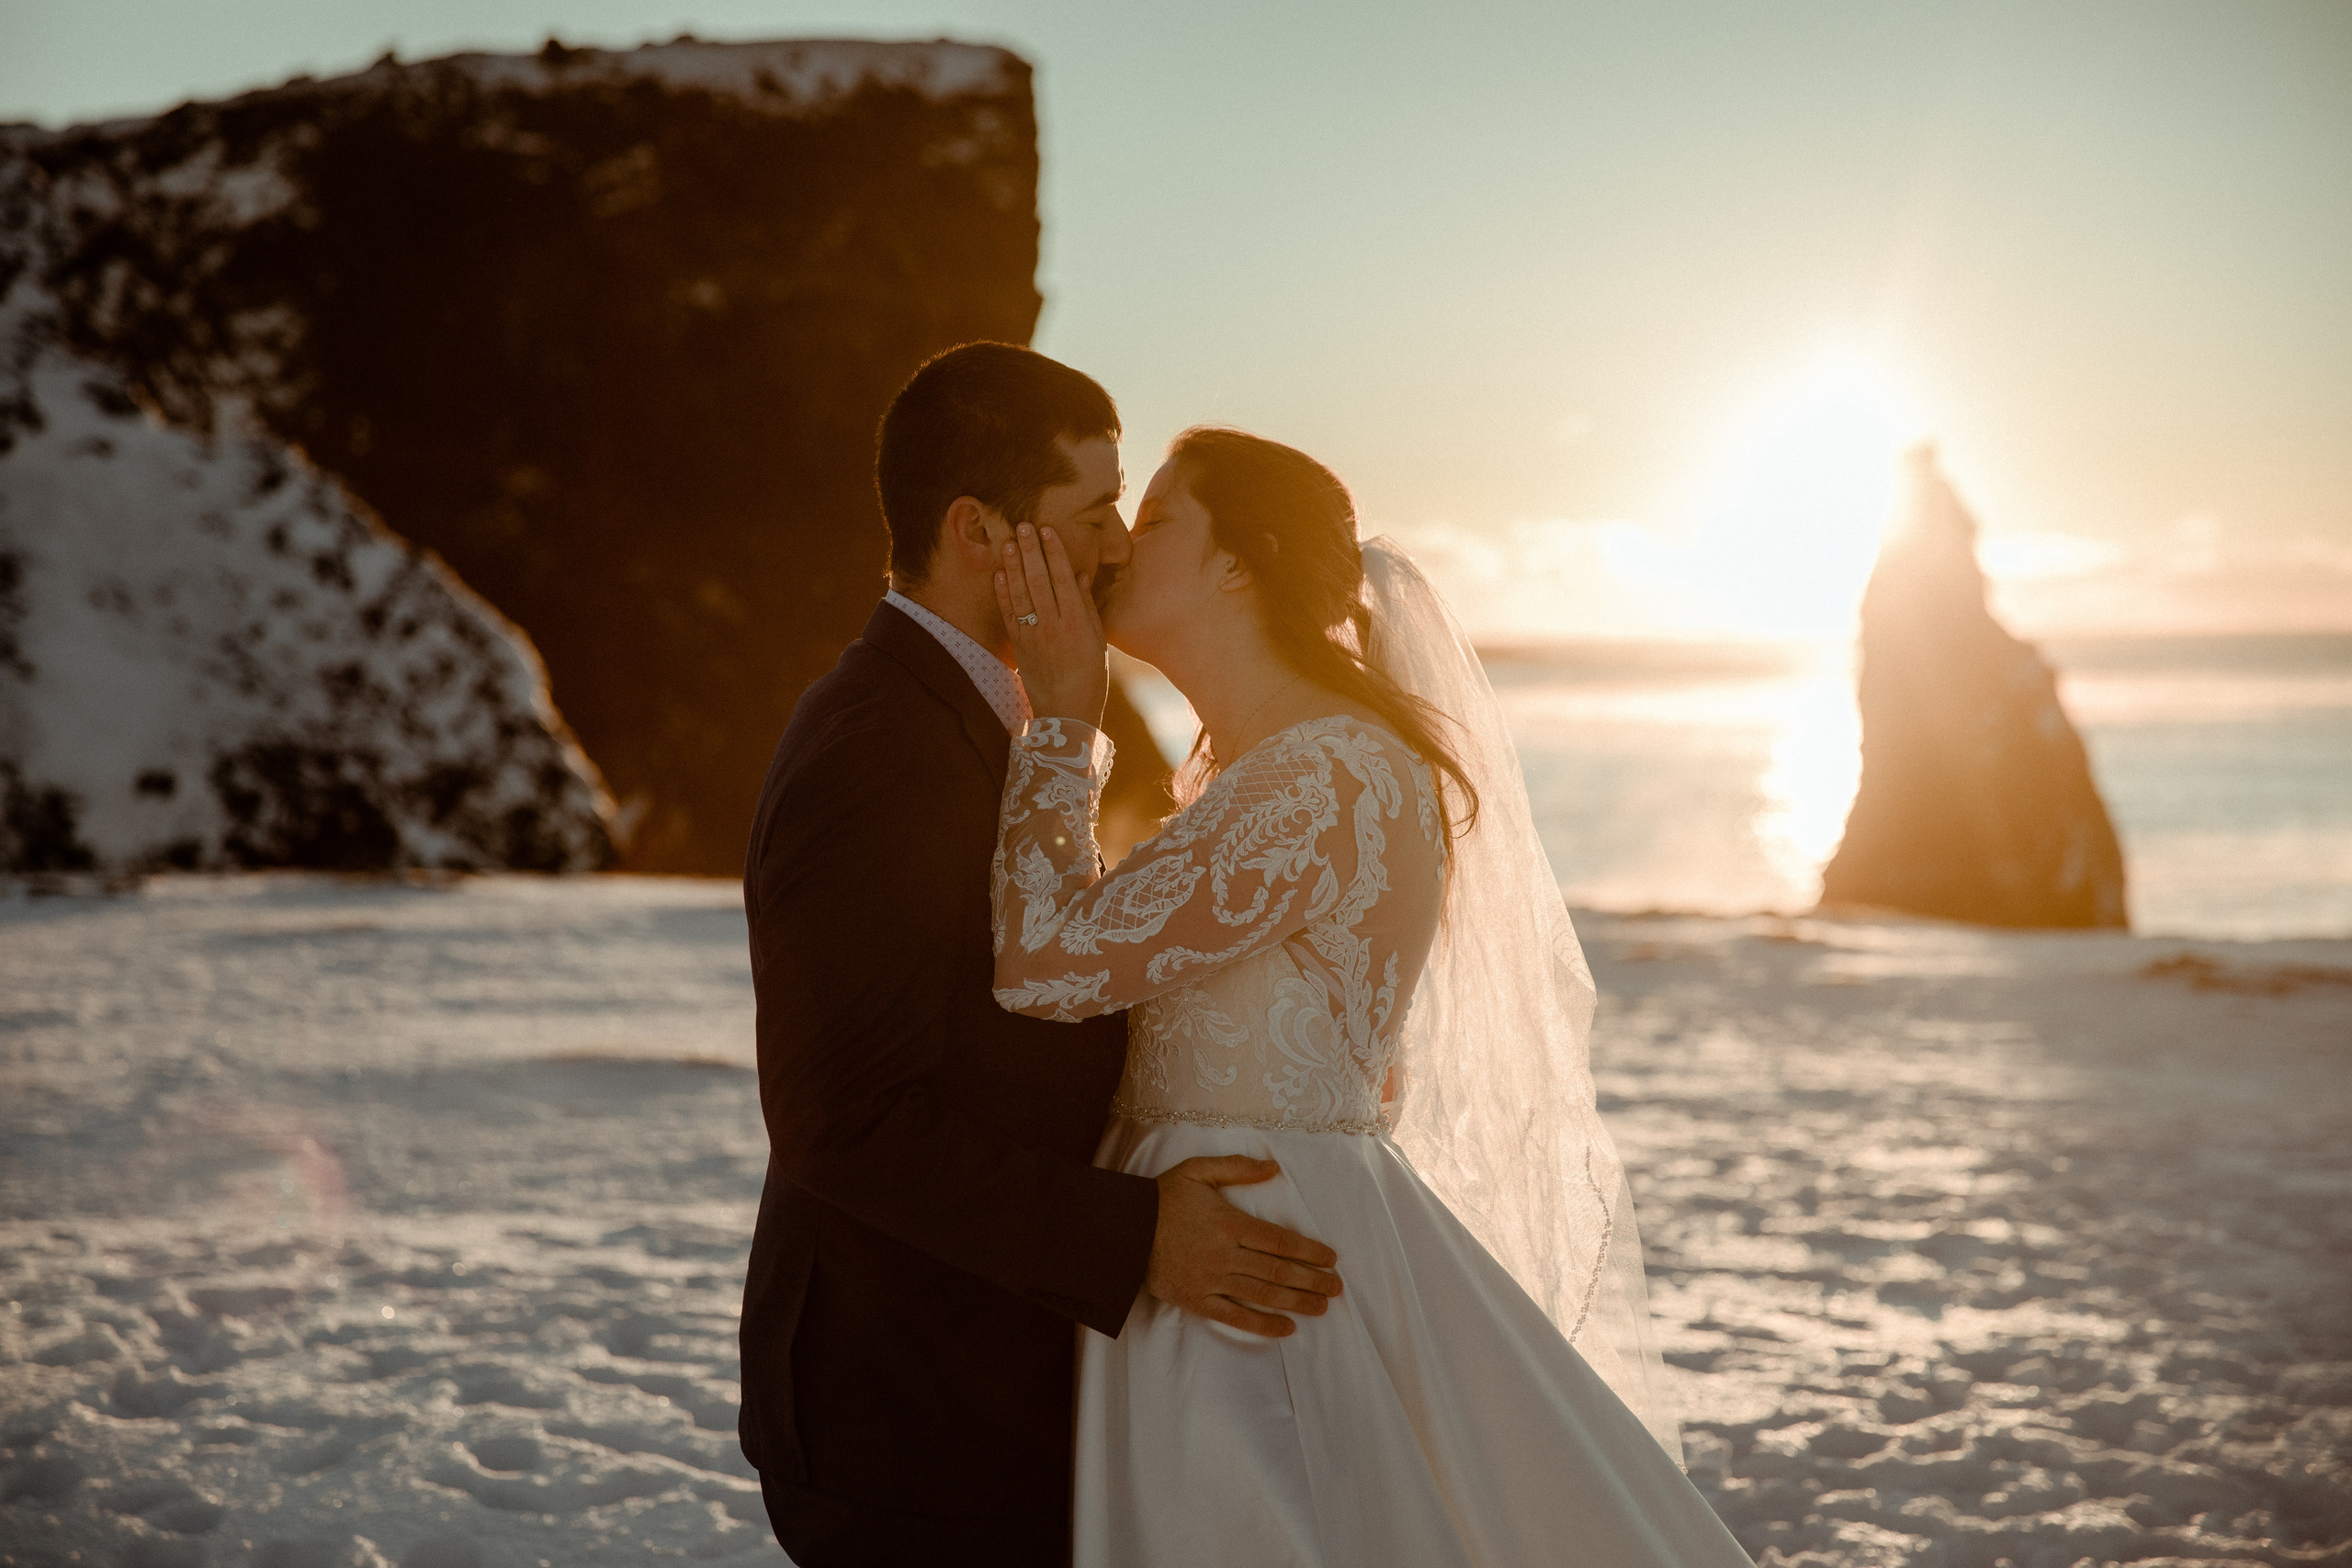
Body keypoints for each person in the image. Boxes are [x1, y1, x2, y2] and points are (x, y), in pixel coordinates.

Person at [990, 426, 1755, 1565]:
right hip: (1229, 1244)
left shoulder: (1322, 774)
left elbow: (1042, 964)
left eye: (1153, 523)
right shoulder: (1278, 768)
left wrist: (1059, 721)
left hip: (1252, 1287)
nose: (1114, 549)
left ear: (1237, 564)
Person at [738, 346, 1346, 1567]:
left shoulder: (987, 711)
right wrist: (1135, 1238)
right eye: (1092, 513)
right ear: (979, 531)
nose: (1119, 544)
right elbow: (842, 1120)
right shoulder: (877, 748)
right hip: (903, 1423)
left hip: (986, 1389)